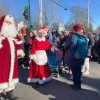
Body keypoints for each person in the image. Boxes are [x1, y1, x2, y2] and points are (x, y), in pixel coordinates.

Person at [0, 15, 24, 100]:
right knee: (1, 75)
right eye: (7, 22)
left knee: (11, 75)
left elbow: (19, 44)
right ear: (3, 23)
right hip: (1, 60)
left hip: (12, 60)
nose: (9, 24)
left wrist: (19, 53)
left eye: (11, 22)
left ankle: (9, 94)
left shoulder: (14, 34)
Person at [64, 24, 87, 91]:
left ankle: (75, 86)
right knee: (79, 71)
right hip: (81, 56)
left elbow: (66, 46)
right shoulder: (84, 36)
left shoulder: (73, 36)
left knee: (74, 71)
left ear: (75, 29)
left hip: (73, 57)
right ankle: (79, 85)